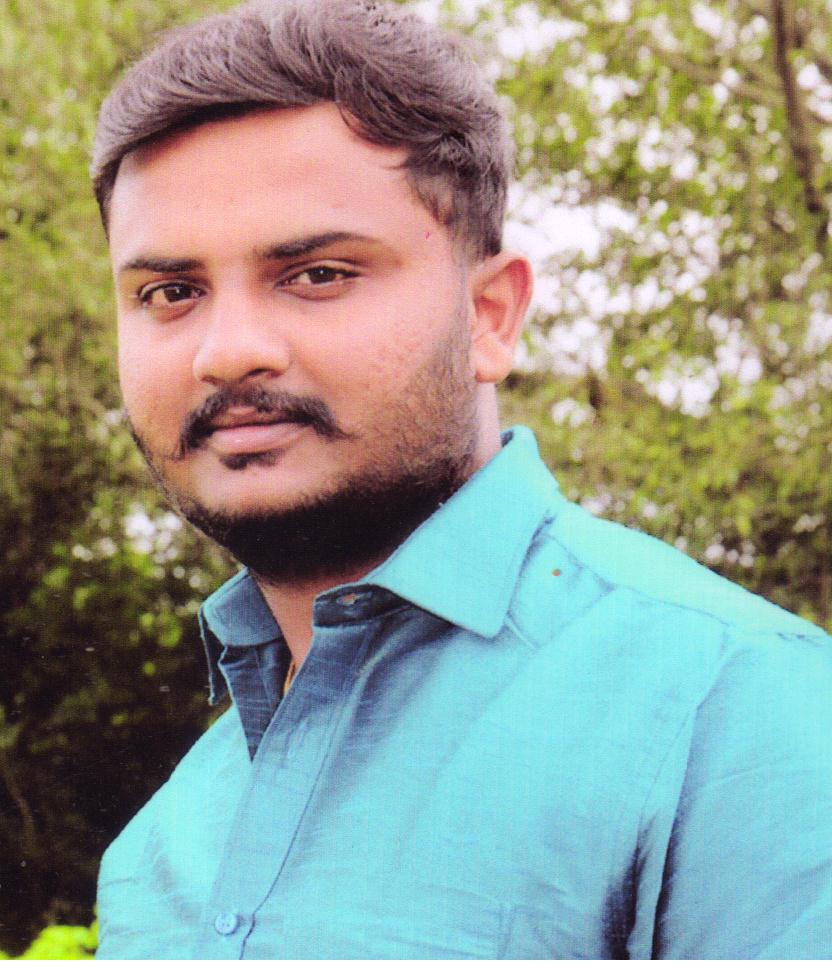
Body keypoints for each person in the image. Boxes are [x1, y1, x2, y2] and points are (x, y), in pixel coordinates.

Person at [91, 0, 832, 960]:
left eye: (318, 274)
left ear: (489, 316)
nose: (227, 352)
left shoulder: (736, 715)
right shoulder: (163, 846)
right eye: (170, 293)